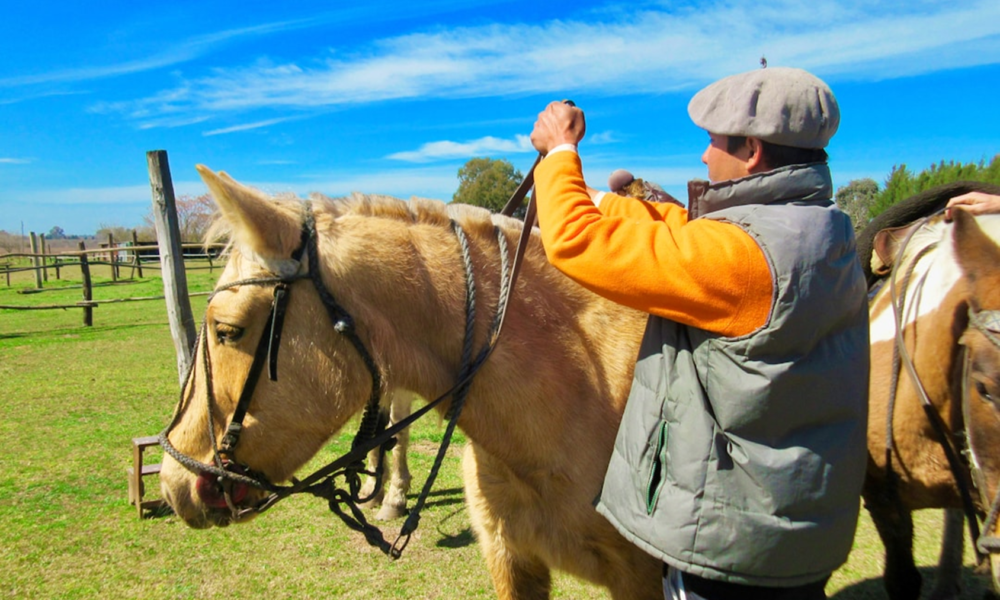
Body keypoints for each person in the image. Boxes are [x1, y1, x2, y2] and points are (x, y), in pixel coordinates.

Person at [528, 67, 870, 600]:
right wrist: (595, 197)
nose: (705, 156)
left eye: (713, 141)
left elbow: (575, 242)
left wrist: (559, 154)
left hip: (732, 547)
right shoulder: (821, 231)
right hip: (792, 524)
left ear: (752, 150)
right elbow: (688, 233)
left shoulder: (744, 258)